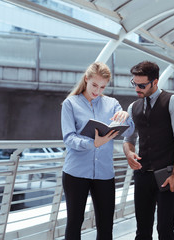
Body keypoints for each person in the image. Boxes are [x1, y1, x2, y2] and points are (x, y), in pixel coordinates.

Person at [61, 62, 135, 240]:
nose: (97, 90)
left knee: (106, 225)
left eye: (102, 87)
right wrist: (93, 143)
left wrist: (127, 117)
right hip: (76, 172)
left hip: (104, 173)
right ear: (86, 79)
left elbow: (130, 131)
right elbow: (69, 138)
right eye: (94, 85)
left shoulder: (112, 104)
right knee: (74, 222)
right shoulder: (70, 104)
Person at [123, 61, 174, 240]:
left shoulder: (173, 102)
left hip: (167, 175)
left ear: (155, 82)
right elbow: (128, 139)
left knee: (165, 229)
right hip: (143, 175)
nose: (137, 88)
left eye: (142, 85)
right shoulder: (133, 107)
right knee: (142, 230)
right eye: (134, 84)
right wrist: (129, 153)